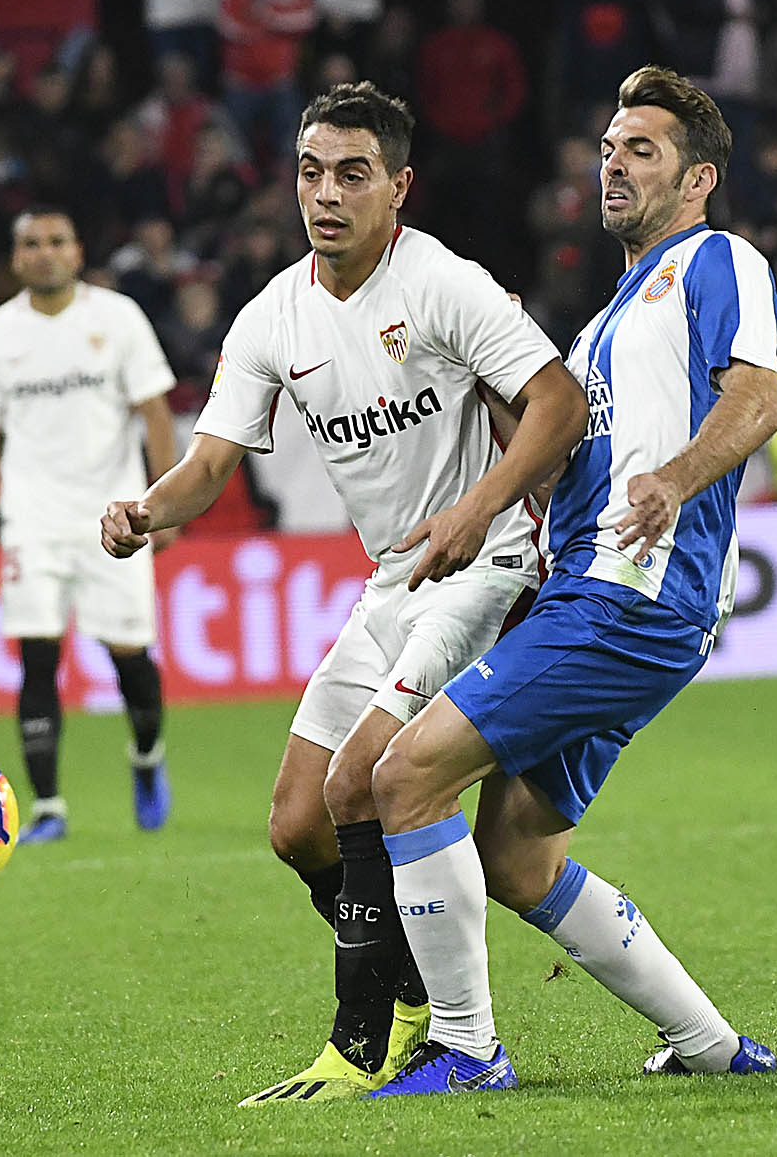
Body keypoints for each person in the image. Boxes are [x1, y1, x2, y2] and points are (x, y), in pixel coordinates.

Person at [100, 82, 586, 1104]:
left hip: (486, 565)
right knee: (293, 823)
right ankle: (410, 987)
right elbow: (205, 464)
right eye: (311, 170)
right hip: (391, 580)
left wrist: (474, 511)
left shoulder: (443, 284)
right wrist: (144, 510)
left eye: (351, 173)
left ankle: (367, 1038)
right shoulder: (272, 313)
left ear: (397, 187)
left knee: (360, 777)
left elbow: (558, 403)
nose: (325, 193)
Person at [361, 65, 777, 1097]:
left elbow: (762, 394)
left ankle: (468, 1050)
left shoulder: (717, 260)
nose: (612, 163)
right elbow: (557, 469)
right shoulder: (605, 321)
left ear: (698, 181)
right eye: (606, 146)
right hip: (591, 597)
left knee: (402, 777)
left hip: (628, 599)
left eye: (640, 149)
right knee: (512, 854)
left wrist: (674, 479)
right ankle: (711, 1043)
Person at [0, 207, 181, 845]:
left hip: (114, 520)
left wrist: (162, 506)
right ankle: (48, 806)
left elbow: (155, 415)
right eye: (31, 243)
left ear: (77, 251)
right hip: (31, 521)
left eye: (57, 241)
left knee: (130, 659)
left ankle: (145, 756)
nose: (45, 253)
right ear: (16, 257)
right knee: (36, 657)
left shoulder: (117, 318)